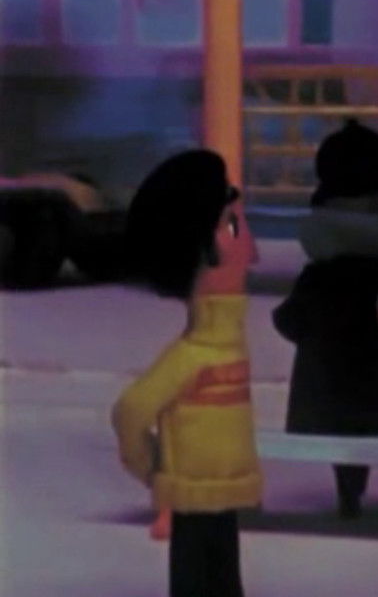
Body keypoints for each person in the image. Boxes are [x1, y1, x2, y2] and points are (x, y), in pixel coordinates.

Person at [111, 150, 261, 597]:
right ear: (201, 249)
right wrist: (158, 472)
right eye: (232, 227)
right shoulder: (192, 357)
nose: (251, 250)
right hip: (194, 501)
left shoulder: (221, 347)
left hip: (222, 495)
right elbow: (130, 411)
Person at [272, 119, 378, 521]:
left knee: (346, 440)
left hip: (324, 395)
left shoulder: (317, 275)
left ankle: (350, 495)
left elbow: (289, 321)